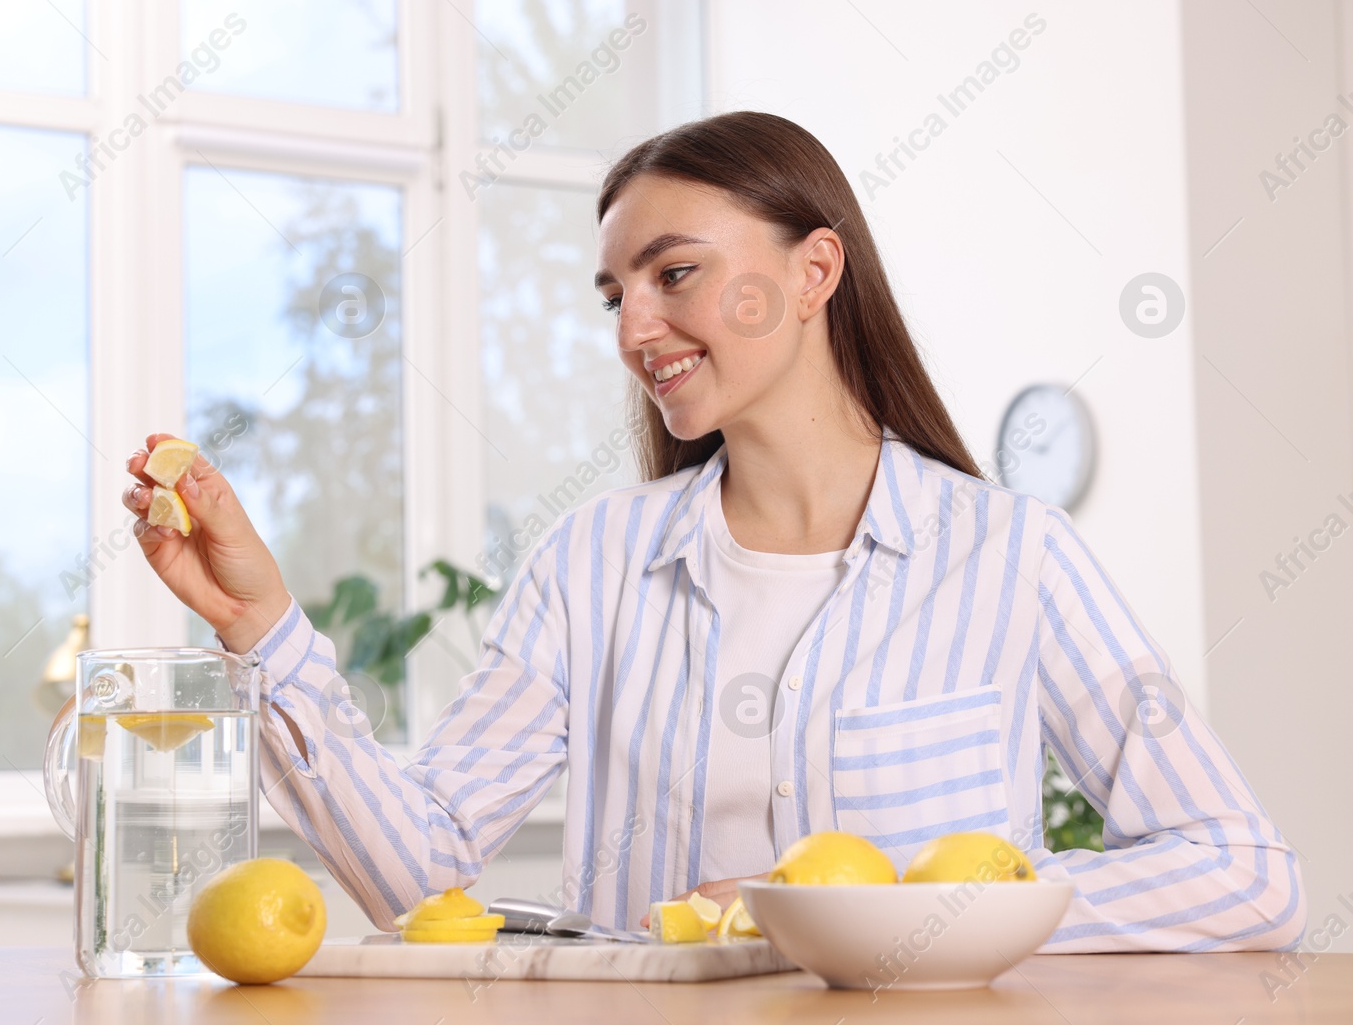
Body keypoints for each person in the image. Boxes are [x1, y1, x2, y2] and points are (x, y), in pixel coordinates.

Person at [123, 111, 1304, 952]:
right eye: (613, 295)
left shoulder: (1011, 555)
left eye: (672, 273)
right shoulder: (593, 564)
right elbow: (416, 871)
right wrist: (259, 625)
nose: (635, 327)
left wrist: (923, 916)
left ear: (812, 270)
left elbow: (1243, 873)